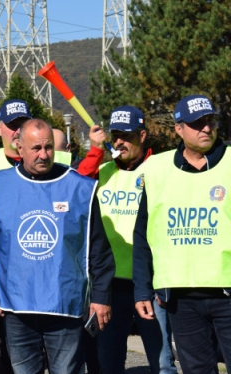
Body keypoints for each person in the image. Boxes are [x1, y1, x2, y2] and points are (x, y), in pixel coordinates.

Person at [0, 119, 115, 374]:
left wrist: (101, 298)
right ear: (19, 147)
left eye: (48, 147)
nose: (43, 154)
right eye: (36, 148)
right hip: (16, 309)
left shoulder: (79, 188)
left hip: (65, 306)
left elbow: (99, 252)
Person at [133, 95, 231, 373]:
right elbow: (143, 235)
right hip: (180, 298)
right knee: (196, 369)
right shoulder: (156, 169)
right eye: (196, 123)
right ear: (178, 129)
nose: (206, 128)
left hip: (227, 293)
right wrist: (142, 289)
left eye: (209, 121)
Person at [79, 106, 177, 374]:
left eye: (127, 135)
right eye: (115, 135)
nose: (120, 141)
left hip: (150, 282)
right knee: (108, 362)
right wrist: (95, 149)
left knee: (162, 363)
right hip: (109, 285)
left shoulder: (160, 169)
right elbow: (75, 185)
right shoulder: (104, 169)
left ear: (142, 135)